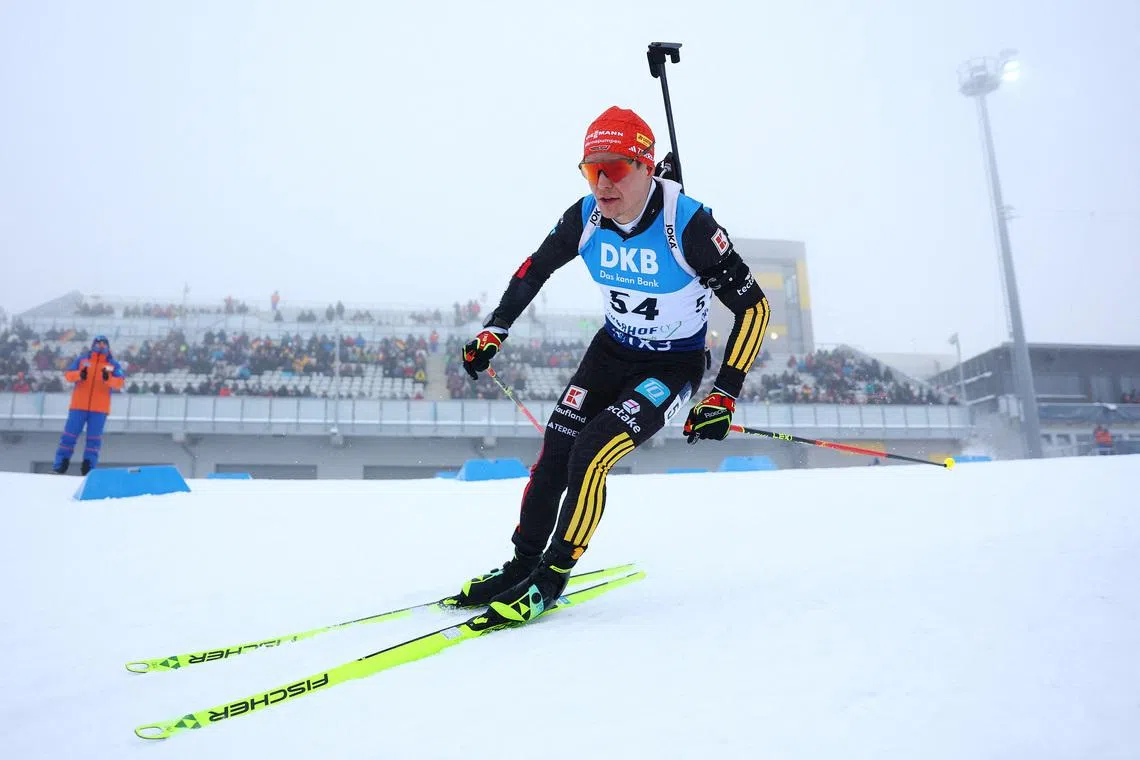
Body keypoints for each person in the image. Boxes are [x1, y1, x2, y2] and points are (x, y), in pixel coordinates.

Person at [455, 105, 771, 624]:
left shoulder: (687, 223)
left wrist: (724, 393)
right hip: (611, 352)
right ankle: (522, 564)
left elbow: (754, 306)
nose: (601, 182)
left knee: (593, 450)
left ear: (647, 167)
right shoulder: (585, 216)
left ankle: (550, 579)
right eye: (590, 168)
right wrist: (496, 328)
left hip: (671, 366)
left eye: (616, 168)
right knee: (556, 449)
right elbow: (535, 269)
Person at [52, 335, 125, 474]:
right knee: (69, 436)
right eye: (98, 343)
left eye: (104, 343)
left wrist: (108, 379)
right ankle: (60, 465)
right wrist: (80, 374)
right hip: (78, 406)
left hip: (99, 409)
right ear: (93, 345)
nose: (101, 345)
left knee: (94, 440)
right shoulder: (82, 360)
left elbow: (120, 382)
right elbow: (68, 375)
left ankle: (88, 468)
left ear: (108, 346)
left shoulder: (113, 364)